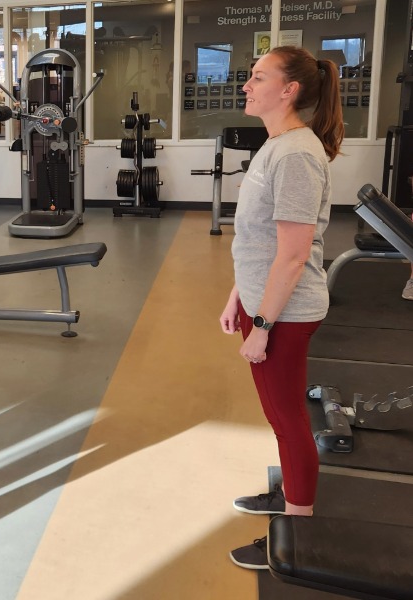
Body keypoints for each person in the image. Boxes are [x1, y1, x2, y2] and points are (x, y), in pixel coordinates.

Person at [218, 46, 344, 569]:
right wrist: (237, 298)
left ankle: (298, 530)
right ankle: (291, 493)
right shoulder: (277, 145)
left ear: (288, 90)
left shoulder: (294, 153)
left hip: (285, 314)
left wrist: (263, 324)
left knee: (288, 418)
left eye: (257, 77)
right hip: (264, 304)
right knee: (278, 413)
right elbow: (259, 242)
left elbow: (292, 257)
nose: (246, 85)